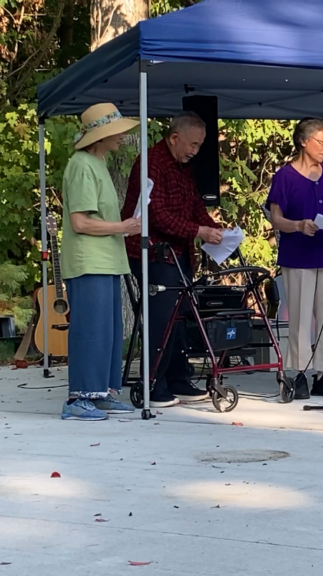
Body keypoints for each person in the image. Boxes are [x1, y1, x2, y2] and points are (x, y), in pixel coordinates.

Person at [120, 112, 226, 408]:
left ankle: (179, 377)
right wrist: (198, 230)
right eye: (191, 144)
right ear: (175, 137)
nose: (195, 151)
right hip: (153, 251)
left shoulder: (184, 167)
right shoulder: (150, 162)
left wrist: (212, 229)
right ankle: (153, 381)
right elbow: (157, 214)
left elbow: (194, 205)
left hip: (180, 253)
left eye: (199, 145)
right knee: (162, 316)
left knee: (181, 316)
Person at [60, 103, 141, 420]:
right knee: (90, 330)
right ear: (99, 135)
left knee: (109, 330)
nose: (122, 136)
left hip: (107, 260)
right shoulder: (81, 165)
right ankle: (78, 397)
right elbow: (80, 222)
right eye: (116, 131)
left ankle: (101, 392)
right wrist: (124, 226)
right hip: (88, 261)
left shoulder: (98, 163)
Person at [267, 118, 323, 399]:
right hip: (299, 256)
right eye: (321, 141)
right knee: (301, 319)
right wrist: (299, 225)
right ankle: (300, 373)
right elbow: (276, 218)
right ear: (303, 141)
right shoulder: (285, 176)